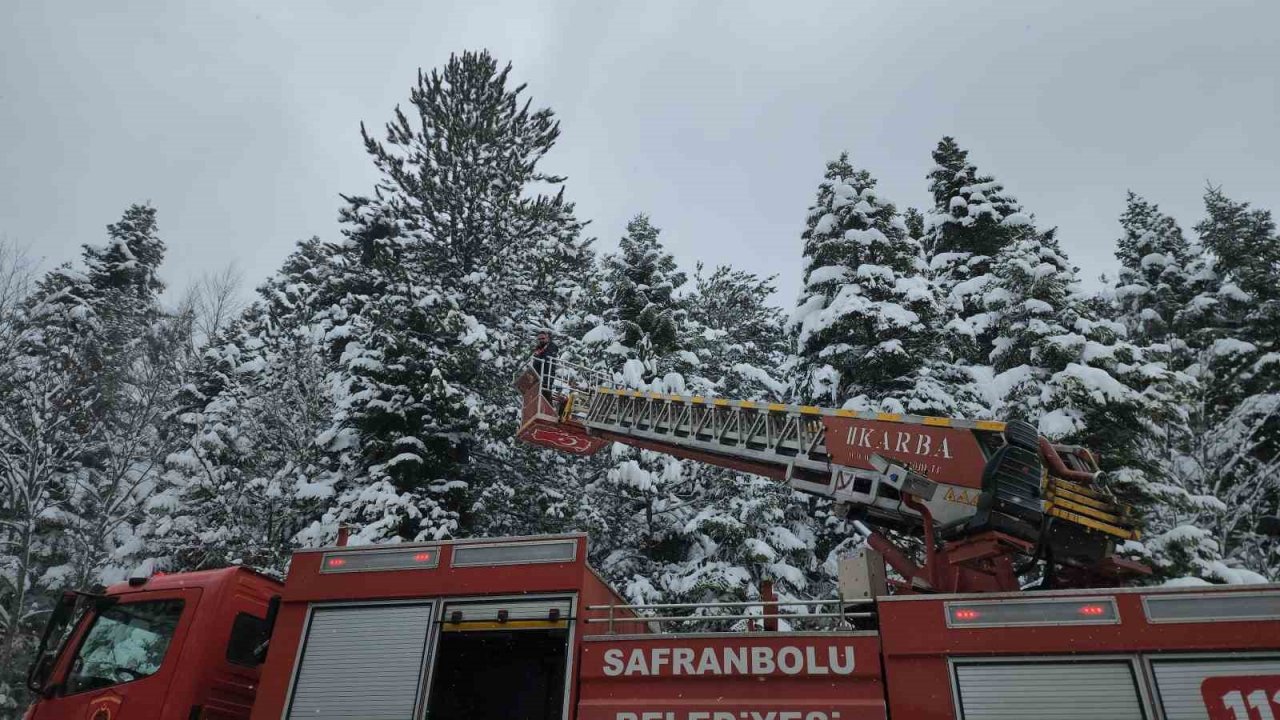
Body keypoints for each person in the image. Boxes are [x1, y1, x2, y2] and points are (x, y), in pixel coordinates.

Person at [531, 331, 559, 404]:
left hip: (547, 373)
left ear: (547, 338)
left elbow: (547, 357)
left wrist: (539, 356)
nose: (541, 340)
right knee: (538, 395)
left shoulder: (551, 346)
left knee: (546, 393)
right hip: (538, 374)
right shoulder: (538, 348)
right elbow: (536, 359)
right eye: (539, 339)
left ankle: (549, 408)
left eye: (543, 338)